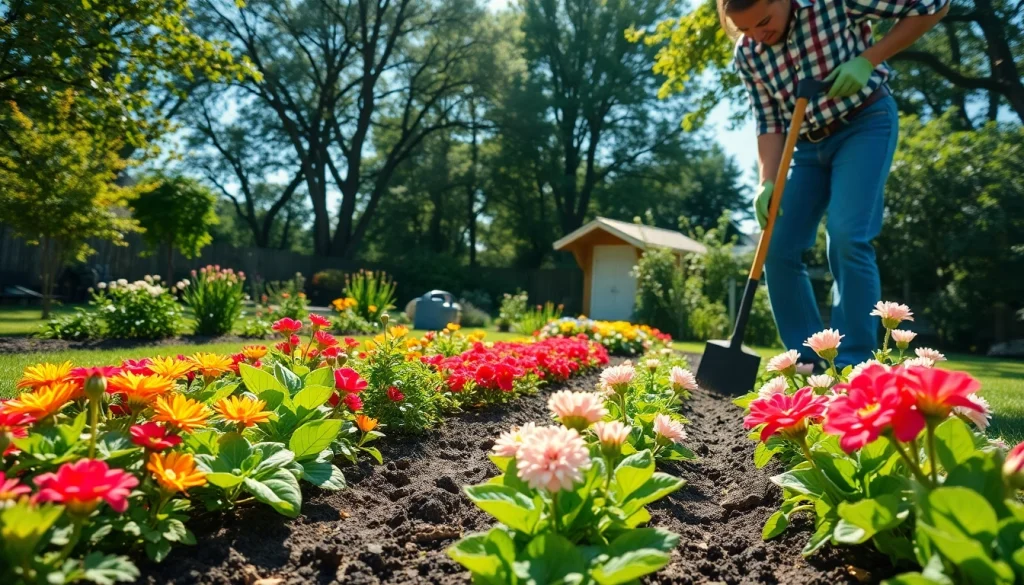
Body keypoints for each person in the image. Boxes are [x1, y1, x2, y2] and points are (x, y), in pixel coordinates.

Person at [718, 0, 948, 367]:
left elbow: (934, 6)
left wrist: (868, 58)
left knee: (844, 236)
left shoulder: (833, 3)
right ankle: (810, 363)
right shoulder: (749, 55)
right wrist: (766, 181)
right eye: (745, 30)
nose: (758, 36)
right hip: (806, 148)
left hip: (865, 122)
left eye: (763, 22)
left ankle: (853, 364)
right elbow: (768, 121)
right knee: (776, 245)